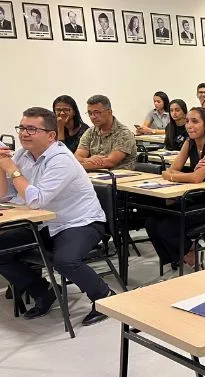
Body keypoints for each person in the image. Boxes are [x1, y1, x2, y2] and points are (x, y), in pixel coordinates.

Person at [0, 107, 111, 325]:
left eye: (32, 129)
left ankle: (104, 297)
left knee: (65, 260)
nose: (24, 133)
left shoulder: (61, 160)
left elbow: (36, 200)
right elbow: (7, 195)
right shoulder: (23, 155)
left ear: (51, 135)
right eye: (22, 128)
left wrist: (12, 169)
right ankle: (44, 291)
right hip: (44, 223)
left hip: (80, 222)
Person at [145, 107, 205, 269]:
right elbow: (173, 168)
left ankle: (187, 251)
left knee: (168, 225)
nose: (189, 125)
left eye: (195, 121)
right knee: (152, 220)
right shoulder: (189, 142)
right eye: (187, 122)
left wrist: (174, 176)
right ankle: (179, 255)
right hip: (197, 197)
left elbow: (195, 177)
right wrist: (179, 174)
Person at [76, 95, 136, 171]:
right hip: (94, 176)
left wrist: (78, 166)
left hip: (120, 178)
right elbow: (77, 156)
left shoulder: (124, 133)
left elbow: (110, 162)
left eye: (97, 112)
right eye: (90, 113)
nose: (93, 117)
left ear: (109, 112)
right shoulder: (90, 132)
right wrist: (87, 160)